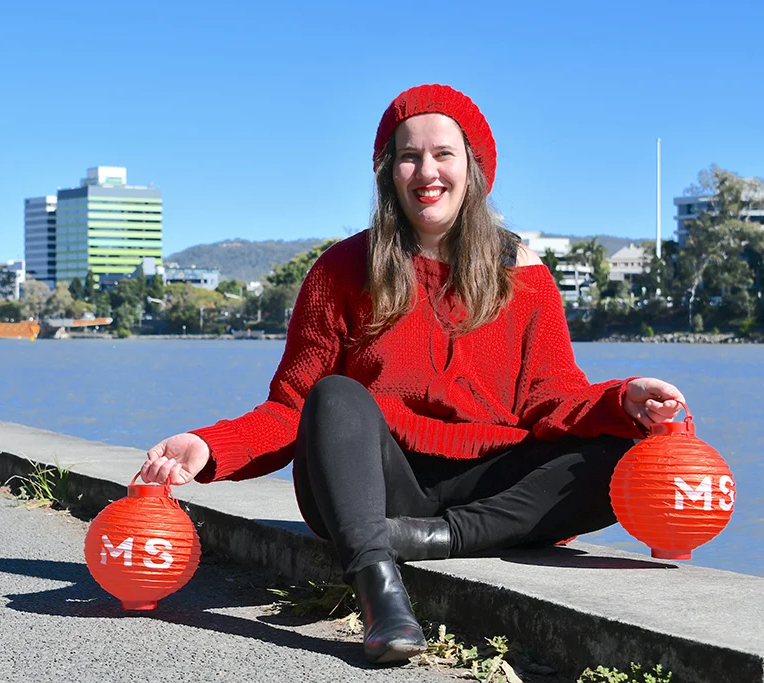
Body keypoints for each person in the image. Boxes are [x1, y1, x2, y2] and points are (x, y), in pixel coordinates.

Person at [140, 84, 685, 665]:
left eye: (443, 154)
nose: (427, 171)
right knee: (335, 396)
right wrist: (207, 445)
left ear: (473, 167)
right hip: (374, 479)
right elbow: (294, 409)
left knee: (625, 458)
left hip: (488, 482)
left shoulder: (527, 276)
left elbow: (552, 398)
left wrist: (623, 399)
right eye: (409, 155)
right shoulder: (341, 269)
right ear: (388, 173)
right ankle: (379, 588)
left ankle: (433, 537)